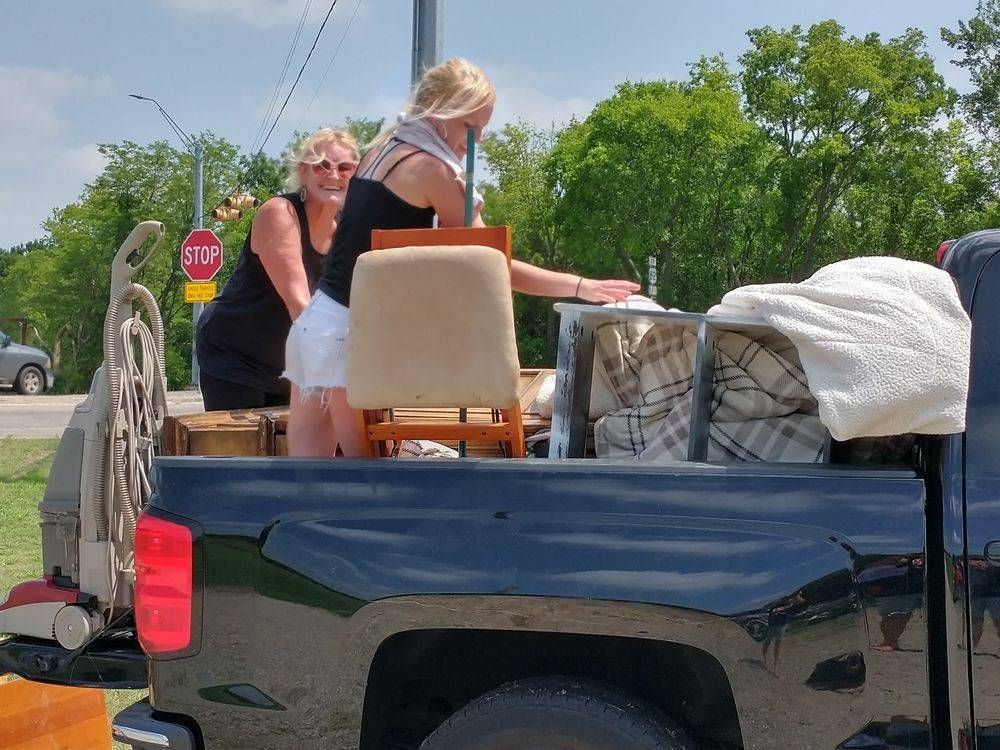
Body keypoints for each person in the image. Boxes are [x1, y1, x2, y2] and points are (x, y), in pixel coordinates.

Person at [284, 58, 640, 457]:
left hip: (318, 325)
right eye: (471, 127)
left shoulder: (382, 149)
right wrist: (580, 286)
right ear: (440, 110)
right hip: (352, 341)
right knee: (366, 480)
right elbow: (494, 265)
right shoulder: (435, 172)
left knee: (304, 479)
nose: (479, 140)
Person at [196, 128, 359, 411]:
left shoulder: (347, 232)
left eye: (345, 168)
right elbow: (300, 305)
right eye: (321, 166)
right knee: (249, 440)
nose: (334, 174)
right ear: (303, 172)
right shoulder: (279, 213)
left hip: (288, 363)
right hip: (235, 357)